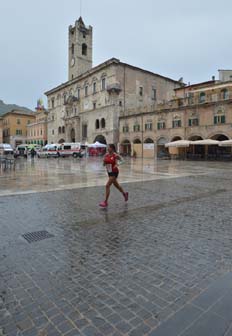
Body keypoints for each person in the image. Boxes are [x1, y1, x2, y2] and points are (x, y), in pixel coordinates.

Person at [99, 144, 128, 208]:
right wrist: (104, 162)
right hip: (109, 172)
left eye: (108, 147)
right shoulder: (106, 155)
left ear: (112, 148)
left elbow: (123, 161)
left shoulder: (115, 155)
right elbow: (103, 164)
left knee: (107, 185)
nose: (107, 149)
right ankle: (124, 194)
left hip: (114, 172)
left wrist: (117, 164)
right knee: (117, 186)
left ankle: (105, 202)